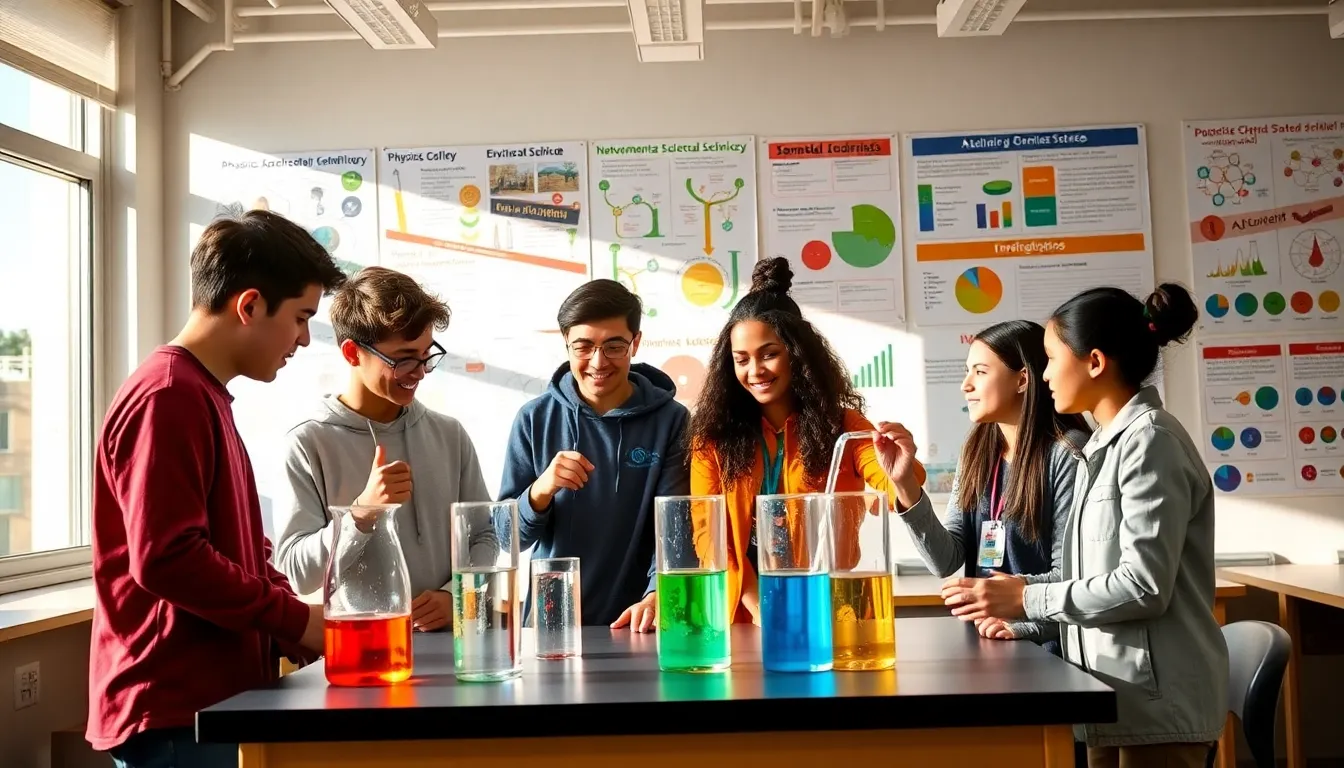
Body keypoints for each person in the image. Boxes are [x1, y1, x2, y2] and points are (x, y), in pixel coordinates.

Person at [87, 211, 347, 768]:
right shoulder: (169, 395)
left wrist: (297, 625)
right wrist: (296, 621)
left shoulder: (201, 395)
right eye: (301, 318)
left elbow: (242, 553)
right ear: (249, 306)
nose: (303, 339)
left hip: (209, 705)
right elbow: (168, 559)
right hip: (174, 711)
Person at [937, 284, 1227, 768]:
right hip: (1111, 696)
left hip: (1155, 709)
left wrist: (1026, 598)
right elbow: (1089, 579)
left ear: (1094, 363)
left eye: (1050, 358)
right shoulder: (1102, 449)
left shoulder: (1150, 443)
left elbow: (1143, 587)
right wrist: (1028, 613)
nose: (1043, 373)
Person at [687, 257, 926, 624]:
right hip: (744, 620)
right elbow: (710, 540)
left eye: (769, 354)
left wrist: (902, 475)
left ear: (797, 355)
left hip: (829, 614)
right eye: (741, 360)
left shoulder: (843, 426)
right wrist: (761, 611)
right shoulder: (713, 440)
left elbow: (892, 487)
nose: (755, 371)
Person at [274, 266, 492, 632]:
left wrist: (458, 594)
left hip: (456, 642)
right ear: (352, 353)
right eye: (404, 358)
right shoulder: (307, 443)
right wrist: (361, 513)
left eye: (426, 355)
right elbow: (296, 572)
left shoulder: (449, 434)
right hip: (365, 650)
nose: (419, 372)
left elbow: (486, 535)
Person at [498, 279, 689, 631]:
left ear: (636, 342)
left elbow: (675, 527)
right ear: (566, 344)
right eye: (583, 346)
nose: (598, 362)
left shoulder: (671, 421)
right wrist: (541, 491)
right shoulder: (534, 419)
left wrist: (656, 593)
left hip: (636, 624)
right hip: (549, 628)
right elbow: (506, 538)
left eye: (614, 346)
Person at [888, 320, 1090, 648]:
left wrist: (1022, 625)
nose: (966, 385)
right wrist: (905, 483)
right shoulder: (977, 452)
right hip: (992, 642)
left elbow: (1072, 580)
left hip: (1053, 652)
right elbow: (945, 561)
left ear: (1022, 379)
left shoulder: (1067, 452)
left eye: (980, 372)